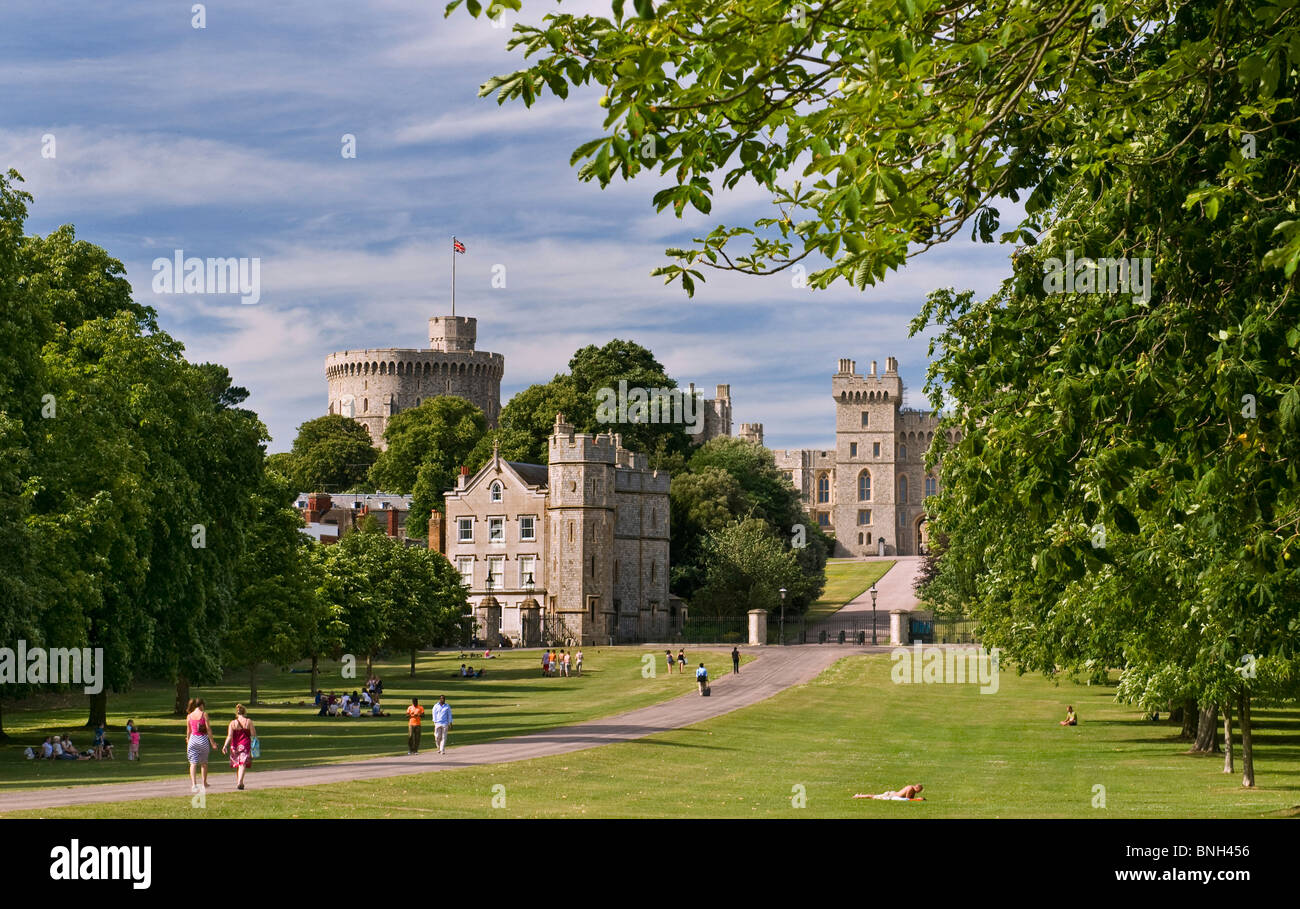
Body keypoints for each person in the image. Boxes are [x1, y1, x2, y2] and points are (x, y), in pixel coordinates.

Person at [222, 704, 257, 790]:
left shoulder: (232, 723)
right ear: (244, 712)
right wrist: (254, 749)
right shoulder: (248, 722)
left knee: (239, 764)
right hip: (245, 745)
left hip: (235, 746)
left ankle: (239, 781)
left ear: (237, 713)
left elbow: (229, 736)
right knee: (242, 764)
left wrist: (225, 745)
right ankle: (240, 782)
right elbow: (253, 736)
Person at [186, 698, 215, 791]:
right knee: (204, 763)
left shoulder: (189, 716)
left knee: (193, 763)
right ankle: (204, 782)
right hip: (202, 740)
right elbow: (208, 729)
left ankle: (194, 784)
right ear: (201, 705)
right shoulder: (204, 714)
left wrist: (188, 739)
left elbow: (189, 730)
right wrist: (212, 742)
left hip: (192, 740)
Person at [854, 784, 924, 800]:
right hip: (891, 795)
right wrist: (918, 799)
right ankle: (858, 796)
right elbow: (907, 799)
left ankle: (860, 795)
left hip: (893, 795)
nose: (919, 792)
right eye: (919, 790)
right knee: (873, 796)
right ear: (917, 788)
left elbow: (910, 799)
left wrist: (918, 799)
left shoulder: (913, 791)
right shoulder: (910, 789)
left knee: (874, 796)